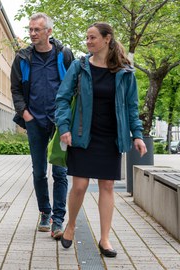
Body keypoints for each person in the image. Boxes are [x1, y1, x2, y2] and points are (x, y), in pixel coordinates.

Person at [56, 22, 147, 257]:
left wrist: (137, 135)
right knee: (80, 186)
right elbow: (62, 98)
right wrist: (64, 126)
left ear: (107, 39)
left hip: (110, 136)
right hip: (82, 134)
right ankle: (72, 224)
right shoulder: (79, 66)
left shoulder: (125, 72)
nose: (88, 41)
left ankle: (105, 238)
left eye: (93, 37)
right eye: (87, 37)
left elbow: (131, 107)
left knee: (107, 186)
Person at [10, 13, 74, 239]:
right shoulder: (22, 58)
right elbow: (16, 89)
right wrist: (24, 113)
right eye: (30, 30)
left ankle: (58, 219)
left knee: (60, 171)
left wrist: (68, 117)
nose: (32, 34)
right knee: (39, 172)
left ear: (49, 31)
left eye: (37, 30)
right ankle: (44, 213)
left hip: (59, 123)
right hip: (34, 121)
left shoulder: (64, 55)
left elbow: (73, 85)